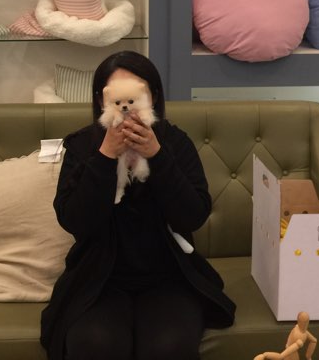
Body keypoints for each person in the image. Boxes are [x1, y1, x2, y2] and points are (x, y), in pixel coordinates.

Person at [40, 50, 236, 360]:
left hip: (169, 276)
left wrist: (157, 155)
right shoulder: (82, 145)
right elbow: (73, 220)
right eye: (116, 96)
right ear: (101, 100)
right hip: (99, 277)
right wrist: (105, 156)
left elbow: (194, 215)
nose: (127, 108)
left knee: (168, 348)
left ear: (152, 97)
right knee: (95, 345)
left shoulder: (175, 142)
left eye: (136, 95)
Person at [254, 311, 318, 360]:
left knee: (314, 340)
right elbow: (284, 354)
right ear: (299, 322)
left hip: (293, 349)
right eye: (304, 322)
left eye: (307, 322)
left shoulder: (303, 331)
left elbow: (313, 340)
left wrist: (308, 357)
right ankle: (264, 355)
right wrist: (265, 355)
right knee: (281, 356)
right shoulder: (297, 335)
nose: (306, 324)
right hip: (291, 351)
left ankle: (264, 355)